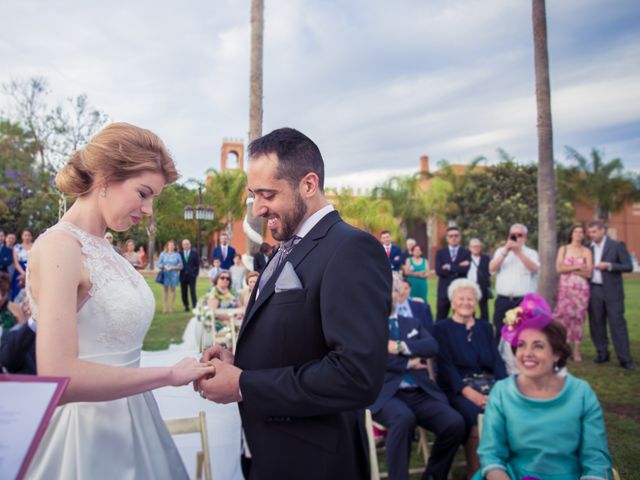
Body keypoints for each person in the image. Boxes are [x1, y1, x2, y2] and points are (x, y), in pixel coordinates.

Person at [198, 127, 392, 479]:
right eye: (254, 195)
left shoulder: (351, 249)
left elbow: (356, 376)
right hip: (267, 452)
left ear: (308, 184)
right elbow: (296, 341)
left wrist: (243, 385)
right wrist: (239, 363)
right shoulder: (287, 246)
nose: (258, 208)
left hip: (314, 462)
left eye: (268, 194)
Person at [24, 122, 215, 479]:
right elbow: (58, 376)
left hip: (136, 418)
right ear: (106, 178)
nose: (148, 210)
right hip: (87, 435)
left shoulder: (105, 247)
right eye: (143, 193)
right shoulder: (59, 248)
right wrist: (170, 374)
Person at [474, 293, 613, 479]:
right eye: (521, 346)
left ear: (556, 353)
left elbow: (595, 459)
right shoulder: (502, 392)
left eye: (538, 346)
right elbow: (491, 455)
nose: (527, 353)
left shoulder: (581, 394)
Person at [370, 275, 466, 480]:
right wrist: (408, 362)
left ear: (401, 294)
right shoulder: (369, 326)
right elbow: (372, 360)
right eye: (385, 291)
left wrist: (399, 347)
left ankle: (433, 475)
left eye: (394, 290)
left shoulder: (412, 322)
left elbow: (432, 347)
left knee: (455, 423)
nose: (390, 295)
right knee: (403, 418)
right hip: (387, 394)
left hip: (419, 391)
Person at [434, 279, 507, 478]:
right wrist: (470, 394)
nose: (466, 302)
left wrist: (503, 390)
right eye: (461, 298)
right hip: (458, 387)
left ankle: (503, 465)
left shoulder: (485, 327)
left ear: (476, 302)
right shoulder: (441, 328)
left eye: (470, 298)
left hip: (489, 384)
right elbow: (446, 367)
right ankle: (475, 470)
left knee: (509, 407)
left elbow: (497, 362)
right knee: (475, 415)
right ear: (452, 302)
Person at [587, 220, 634, 370]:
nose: (592, 235)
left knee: (617, 324)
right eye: (590, 232)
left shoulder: (617, 245)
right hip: (594, 290)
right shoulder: (588, 248)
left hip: (613, 292)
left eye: (594, 232)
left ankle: (625, 359)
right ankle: (602, 353)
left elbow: (628, 266)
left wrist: (609, 266)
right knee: (596, 323)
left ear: (603, 231)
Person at [489, 223, 539, 339]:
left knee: (522, 332)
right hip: (503, 300)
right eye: (513, 235)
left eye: (519, 235)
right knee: (499, 331)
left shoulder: (531, 253)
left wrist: (518, 252)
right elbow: (491, 268)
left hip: (522, 301)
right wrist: (505, 252)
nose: (516, 238)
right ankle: (500, 356)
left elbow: (534, 268)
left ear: (525, 237)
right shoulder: (501, 251)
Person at [552, 225, 592, 362]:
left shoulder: (586, 251)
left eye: (581, 232)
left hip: (581, 289)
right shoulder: (563, 249)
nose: (578, 234)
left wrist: (568, 269)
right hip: (565, 289)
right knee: (563, 317)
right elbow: (558, 268)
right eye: (576, 231)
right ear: (571, 234)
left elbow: (588, 273)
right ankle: (563, 348)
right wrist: (578, 267)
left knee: (579, 318)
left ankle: (576, 351)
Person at [435, 226, 471, 321]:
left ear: (459, 237)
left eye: (456, 235)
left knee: (461, 317)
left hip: (460, 290)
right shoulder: (440, 253)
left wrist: (449, 266)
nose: (453, 238)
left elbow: (466, 270)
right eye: (451, 236)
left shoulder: (466, 252)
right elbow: (439, 271)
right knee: (441, 317)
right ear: (447, 238)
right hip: (444, 290)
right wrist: (458, 266)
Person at [466, 238, 491, 321]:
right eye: (473, 246)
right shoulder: (466, 258)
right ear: (470, 248)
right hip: (469, 286)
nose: (476, 248)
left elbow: (489, 271)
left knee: (484, 309)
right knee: (470, 307)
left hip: (482, 286)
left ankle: (485, 326)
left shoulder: (485, 258)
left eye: (477, 246)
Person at [157, 240, 183, 313]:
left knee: (172, 290)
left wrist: (173, 267)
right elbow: (158, 264)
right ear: (167, 246)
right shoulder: (163, 254)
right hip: (165, 274)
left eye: (172, 245)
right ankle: (165, 307)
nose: (171, 246)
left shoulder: (177, 255)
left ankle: (171, 306)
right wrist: (164, 266)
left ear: (174, 246)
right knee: (165, 290)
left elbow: (181, 265)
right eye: (169, 245)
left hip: (174, 275)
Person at [11, 228, 34, 300]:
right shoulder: (17, 247)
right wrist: (23, 273)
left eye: (29, 235)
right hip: (19, 271)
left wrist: (28, 272)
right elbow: (16, 262)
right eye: (25, 235)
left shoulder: (35, 246)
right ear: (22, 236)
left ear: (31, 237)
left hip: (32, 271)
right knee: (17, 292)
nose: (27, 237)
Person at [179, 238, 200, 312]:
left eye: (187, 244)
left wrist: (195, 274)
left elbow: (197, 264)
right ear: (182, 245)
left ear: (190, 245)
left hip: (192, 275)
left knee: (192, 291)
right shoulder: (180, 254)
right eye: (184, 244)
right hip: (183, 275)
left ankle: (194, 305)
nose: (186, 245)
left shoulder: (194, 253)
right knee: (183, 291)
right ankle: (186, 306)